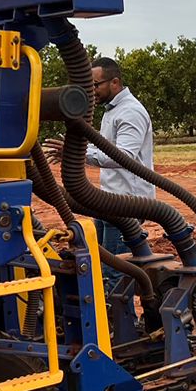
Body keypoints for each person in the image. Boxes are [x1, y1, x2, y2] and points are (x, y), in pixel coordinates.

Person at [43, 57, 156, 267]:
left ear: (114, 82)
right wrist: (73, 151)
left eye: (95, 85)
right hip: (108, 200)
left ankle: (118, 302)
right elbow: (105, 147)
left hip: (126, 204)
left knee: (117, 272)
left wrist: (80, 154)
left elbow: (124, 157)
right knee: (102, 267)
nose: (91, 90)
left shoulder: (130, 112)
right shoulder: (113, 110)